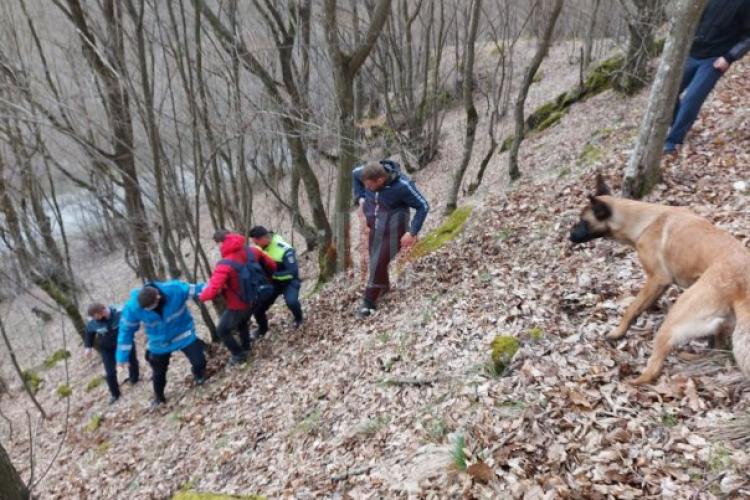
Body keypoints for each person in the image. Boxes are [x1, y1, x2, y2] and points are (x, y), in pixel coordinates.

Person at [664, 0, 750, 154]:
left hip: (714, 60)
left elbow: (748, 37)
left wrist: (729, 57)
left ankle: (672, 141)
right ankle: (678, 125)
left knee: (692, 98)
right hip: (691, 53)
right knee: (669, 91)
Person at [352, 159, 429, 318]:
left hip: (396, 228)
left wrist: (412, 232)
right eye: (365, 185)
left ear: (380, 180)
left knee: (377, 263)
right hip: (376, 226)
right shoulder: (364, 173)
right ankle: (383, 288)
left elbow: (423, 206)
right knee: (377, 260)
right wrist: (360, 198)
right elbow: (354, 175)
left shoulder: (402, 186)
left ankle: (368, 303)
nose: (367, 188)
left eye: (370, 186)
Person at [117, 280, 206, 409]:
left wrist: (215, 289)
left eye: (151, 307)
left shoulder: (175, 289)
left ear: (158, 296)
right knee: (158, 373)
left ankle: (198, 374)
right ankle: (159, 397)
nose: (149, 310)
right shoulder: (132, 307)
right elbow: (126, 330)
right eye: (146, 309)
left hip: (183, 333)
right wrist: (122, 357)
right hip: (159, 343)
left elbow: (198, 289)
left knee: (199, 362)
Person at [199, 230, 277, 364]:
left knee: (222, 330)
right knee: (242, 323)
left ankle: (239, 355)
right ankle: (246, 348)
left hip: (238, 304)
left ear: (221, 244)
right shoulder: (252, 251)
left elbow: (212, 291)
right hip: (257, 296)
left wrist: (200, 296)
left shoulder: (224, 264)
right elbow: (272, 265)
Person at [249, 226, 304, 330]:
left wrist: (273, 276)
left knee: (292, 302)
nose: (255, 244)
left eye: (256, 241)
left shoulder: (284, 249)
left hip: (289, 282)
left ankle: (299, 318)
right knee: (258, 308)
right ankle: (262, 329)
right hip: (272, 284)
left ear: (263, 238)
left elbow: (293, 272)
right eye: (254, 242)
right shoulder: (258, 249)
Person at [84, 303, 139, 405]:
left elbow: (132, 321)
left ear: (103, 311)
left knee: (131, 361)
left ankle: (134, 378)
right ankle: (115, 394)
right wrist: (88, 347)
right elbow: (89, 333)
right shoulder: (93, 322)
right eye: (93, 318)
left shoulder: (119, 313)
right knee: (110, 373)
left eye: (97, 316)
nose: (96, 319)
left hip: (124, 343)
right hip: (107, 349)